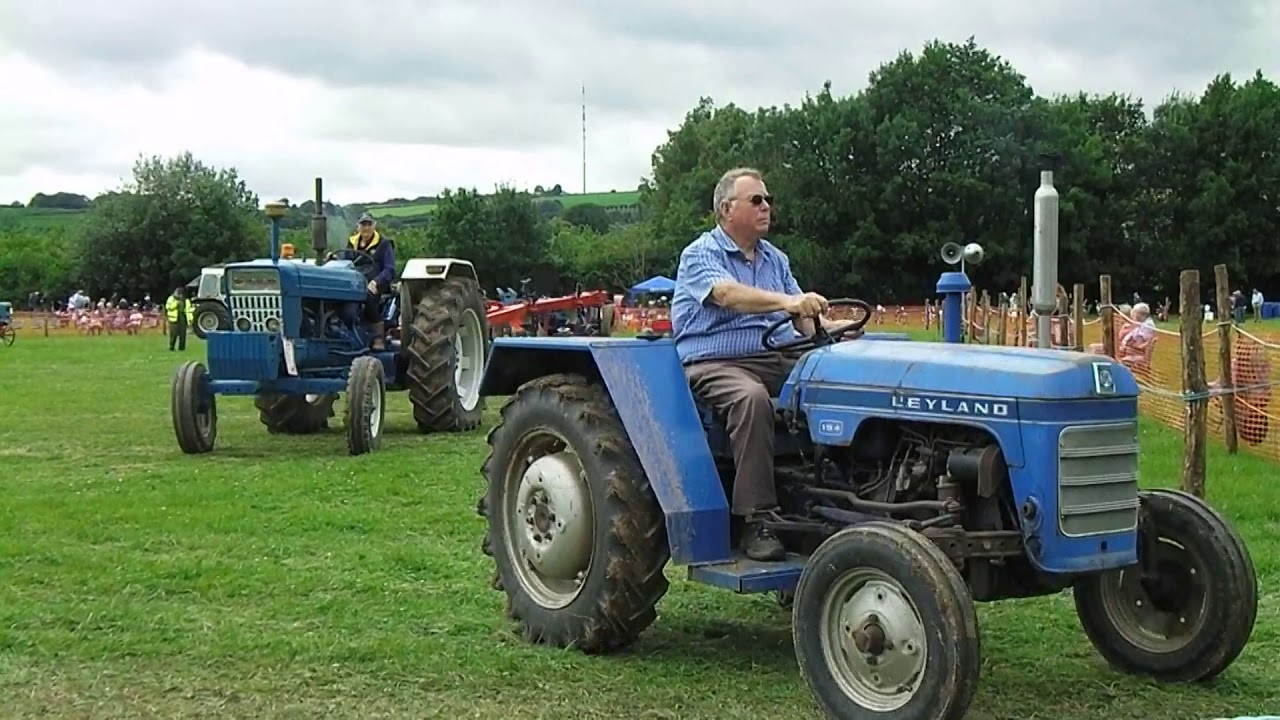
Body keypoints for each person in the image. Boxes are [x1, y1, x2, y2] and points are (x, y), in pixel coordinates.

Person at [671, 167, 853, 561]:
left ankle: (840, 497)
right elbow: (727, 295)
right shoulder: (701, 254)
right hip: (715, 360)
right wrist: (787, 302)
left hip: (776, 354)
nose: (766, 206)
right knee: (751, 398)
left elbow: (802, 319)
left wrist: (830, 326)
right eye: (756, 200)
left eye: (767, 199)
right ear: (726, 209)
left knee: (841, 378)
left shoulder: (775, 259)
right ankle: (758, 519)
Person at [342, 212, 396, 350]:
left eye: (368, 224)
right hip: (354, 281)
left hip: (377, 282)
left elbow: (389, 269)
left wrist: (377, 282)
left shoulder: (384, 244)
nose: (366, 228)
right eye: (363, 224)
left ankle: (378, 337)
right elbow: (345, 262)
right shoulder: (352, 243)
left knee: (369, 296)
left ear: (374, 226)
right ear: (358, 227)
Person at [165, 286, 192, 351]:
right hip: (173, 319)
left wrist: (190, 319)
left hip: (183, 317)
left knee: (183, 334)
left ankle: (182, 348)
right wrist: (176, 304)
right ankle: (172, 347)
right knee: (173, 334)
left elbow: (189, 310)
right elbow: (168, 307)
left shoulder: (186, 301)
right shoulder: (171, 299)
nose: (180, 295)